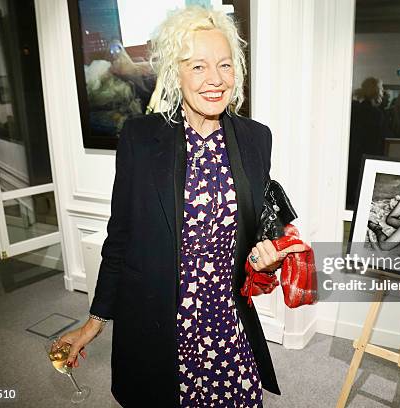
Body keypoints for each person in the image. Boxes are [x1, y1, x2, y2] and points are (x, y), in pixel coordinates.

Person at [57, 7, 303, 407]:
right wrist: (95, 321)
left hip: (226, 321)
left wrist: (270, 255)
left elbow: (259, 226)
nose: (216, 79)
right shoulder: (140, 138)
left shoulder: (256, 139)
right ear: (176, 73)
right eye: (198, 66)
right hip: (160, 325)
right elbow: (120, 237)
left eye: (225, 65)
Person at [346, 77, 388, 208]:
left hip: (352, 156)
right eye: (381, 89)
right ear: (376, 92)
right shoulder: (375, 114)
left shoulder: (354, 109)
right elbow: (377, 140)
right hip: (367, 158)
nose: (383, 92)